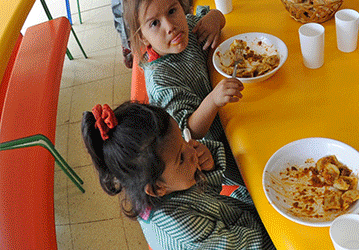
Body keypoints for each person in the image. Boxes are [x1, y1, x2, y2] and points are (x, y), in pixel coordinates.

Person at [81, 102, 274, 249]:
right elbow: (247, 245)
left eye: (183, 140)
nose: (191, 150)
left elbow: (208, 195)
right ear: (157, 188)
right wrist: (272, 222)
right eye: (181, 157)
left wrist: (208, 167)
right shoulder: (182, 228)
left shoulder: (167, 183)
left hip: (240, 222)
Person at [123, 0, 243, 184]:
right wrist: (214, 100)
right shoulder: (161, 81)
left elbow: (214, 16)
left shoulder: (185, 26)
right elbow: (190, 131)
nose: (170, 26)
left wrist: (215, 18)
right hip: (221, 149)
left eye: (172, 11)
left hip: (237, 115)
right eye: (154, 23)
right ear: (143, 38)